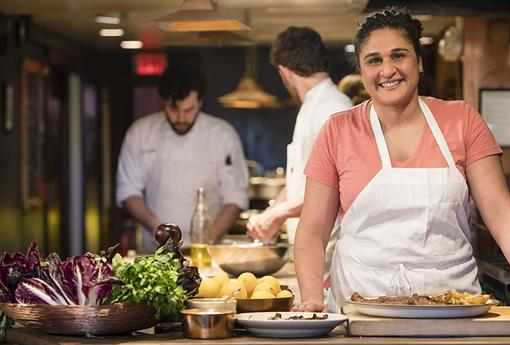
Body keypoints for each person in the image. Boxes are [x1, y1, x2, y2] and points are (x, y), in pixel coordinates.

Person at [292, 8, 510, 314]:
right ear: (362, 69)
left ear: (419, 62)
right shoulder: (338, 130)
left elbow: (500, 214)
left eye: (399, 55)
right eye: (374, 60)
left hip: (452, 307)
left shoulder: (461, 120)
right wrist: (313, 298)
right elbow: (313, 230)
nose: (388, 70)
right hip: (358, 308)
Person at [116, 63, 248, 252]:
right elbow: (128, 191)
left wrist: (206, 242)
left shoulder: (223, 135)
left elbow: (235, 196)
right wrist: (158, 231)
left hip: (209, 250)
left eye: (188, 110)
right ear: (162, 101)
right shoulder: (140, 133)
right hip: (155, 250)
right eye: (173, 109)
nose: (180, 118)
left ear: (200, 102)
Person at [247, 27, 352, 250]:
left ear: (285, 72)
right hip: (310, 247)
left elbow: (336, 188)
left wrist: (278, 213)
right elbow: (301, 180)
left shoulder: (332, 107)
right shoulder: (313, 106)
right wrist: (271, 212)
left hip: (328, 251)